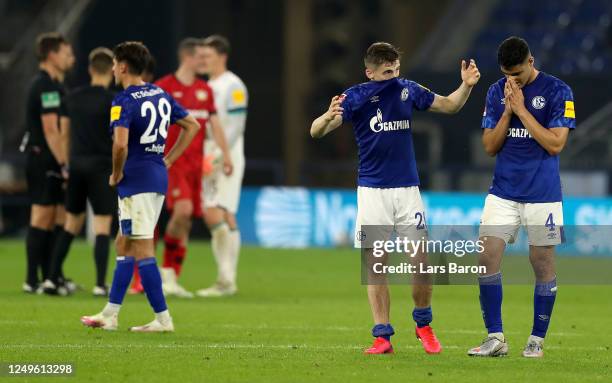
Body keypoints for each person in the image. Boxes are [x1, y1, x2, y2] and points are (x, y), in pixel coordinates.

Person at [310, 42, 480, 354]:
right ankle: (382, 336)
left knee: (421, 262)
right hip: (372, 192)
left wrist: (465, 86)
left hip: (406, 191)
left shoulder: (408, 90)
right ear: (369, 71)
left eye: (396, 70)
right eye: (387, 72)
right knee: (376, 265)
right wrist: (326, 116)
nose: (393, 76)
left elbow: (451, 105)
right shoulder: (356, 97)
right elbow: (317, 131)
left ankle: (423, 324)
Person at [81, 41, 200, 332]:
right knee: (124, 241)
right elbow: (192, 125)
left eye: (113, 64)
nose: (111, 69)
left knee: (143, 247)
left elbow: (120, 144)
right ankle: (110, 313)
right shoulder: (160, 93)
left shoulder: (123, 100)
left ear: (122, 66)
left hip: (136, 180)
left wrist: (115, 173)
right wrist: (168, 159)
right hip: (154, 177)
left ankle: (163, 319)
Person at [468, 36, 575, 358]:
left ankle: (536, 340)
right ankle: (495, 337)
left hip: (543, 195)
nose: (511, 81)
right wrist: (506, 113)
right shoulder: (495, 90)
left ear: (531, 61)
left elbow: (555, 144)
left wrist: (522, 110)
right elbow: (489, 146)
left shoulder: (559, 91)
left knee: (541, 263)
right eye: (506, 75)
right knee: (486, 257)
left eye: (517, 75)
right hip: (503, 192)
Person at [155, 37, 233, 298]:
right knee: (183, 211)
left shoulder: (204, 89)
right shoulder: (163, 88)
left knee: (186, 220)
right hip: (172, 162)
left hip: (196, 165)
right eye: (200, 57)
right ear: (187, 57)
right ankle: (162, 273)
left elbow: (215, 124)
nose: (204, 61)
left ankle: (171, 278)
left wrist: (226, 154)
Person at [42, 47, 116, 297]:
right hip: (102, 167)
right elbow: (119, 138)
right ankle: (99, 284)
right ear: (113, 70)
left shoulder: (71, 97)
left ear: (90, 69)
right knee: (103, 225)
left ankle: (51, 279)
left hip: (76, 166)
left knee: (72, 222)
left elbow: (64, 133)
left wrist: (65, 164)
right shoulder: (112, 100)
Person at [196, 35, 248, 297]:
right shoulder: (206, 86)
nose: (203, 60)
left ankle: (227, 279)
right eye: (201, 56)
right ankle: (226, 279)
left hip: (227, 153)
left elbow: (236, 126)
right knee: (221, 213)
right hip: (209, 152)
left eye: (208, 56)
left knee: (217, 210)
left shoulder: (233, 86)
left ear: (222, 56)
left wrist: (219, 154)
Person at [22, 32, 74, 293]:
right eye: (66, 53)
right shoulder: (44, 86)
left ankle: (53, 275)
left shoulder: (57, 86)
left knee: (57, 218)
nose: (71, 58)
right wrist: (64, 163)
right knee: (41, 216)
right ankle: (31, 279)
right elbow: (51, 130)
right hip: (43, 157)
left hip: (51, 158)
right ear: (52, 55)